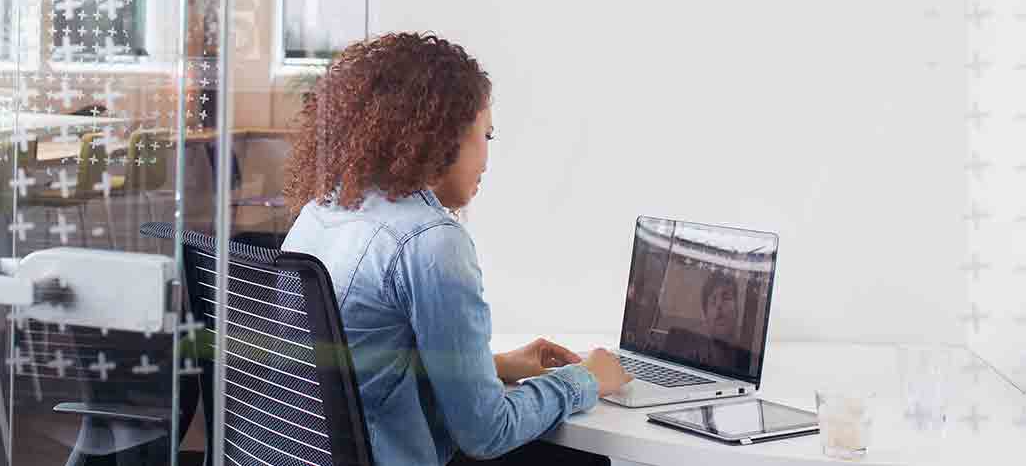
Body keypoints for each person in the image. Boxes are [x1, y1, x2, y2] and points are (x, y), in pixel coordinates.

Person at [282, 33, 631, 466]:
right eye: (487, 135)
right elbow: (487, 432)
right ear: (443, 136)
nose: (486, 159)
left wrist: (494, 365)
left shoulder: (322, 212)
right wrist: (586, 379)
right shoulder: (430, 240)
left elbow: (362, 370)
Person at [662, 271, 752, 376]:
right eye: (713, 301)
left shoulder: (750, 363)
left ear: (737, 310)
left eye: (726, 298)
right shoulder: (690, 361)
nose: (719, 305)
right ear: (705, 317)